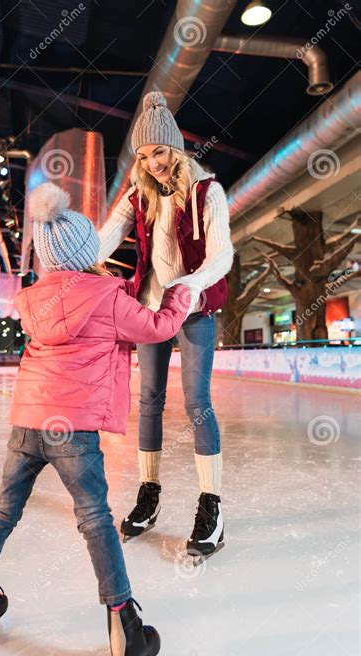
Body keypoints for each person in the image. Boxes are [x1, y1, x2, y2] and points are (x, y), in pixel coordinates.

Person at [0, 183, 198, 656]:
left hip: (28, 420)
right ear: (91, 252)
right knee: (95, 519)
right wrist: (179, 298)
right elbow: (153, 328)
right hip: (74, 428)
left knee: (3, 508)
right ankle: (125, 625)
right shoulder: (106, 296)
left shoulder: (33, 300)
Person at [97, 91, 234, 558]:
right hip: (151, 312)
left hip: (194, 309)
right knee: (149, 402)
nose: (152, 162)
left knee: (198, 402)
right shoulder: (137, 197)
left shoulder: (207, 191)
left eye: (158, 151)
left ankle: (211, 505)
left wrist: (191, 285)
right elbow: (104, 239)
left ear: (174, 149)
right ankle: (149, 493)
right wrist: (71, 264)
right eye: (142, 155)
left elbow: (223, 253)